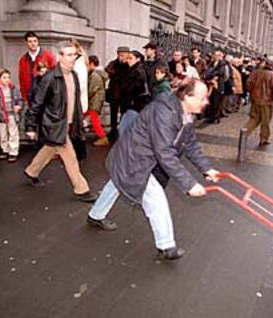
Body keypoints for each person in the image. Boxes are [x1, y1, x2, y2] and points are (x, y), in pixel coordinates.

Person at [86, 79, 219, 261]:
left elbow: (190, 144)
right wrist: (189, 184)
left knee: (117, 182)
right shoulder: (165, 113)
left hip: (138, 156)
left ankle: (95, 215)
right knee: (154, 197)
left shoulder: (185, 113)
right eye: (203, 98)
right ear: (186, 97)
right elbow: (164, 152)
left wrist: (206, 169)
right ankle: (166, 246)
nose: (206, 102)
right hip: (135, 158)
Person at [24, 40, 97, 202]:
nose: (73, 58)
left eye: (74, 55)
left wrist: (80, 121)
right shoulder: (50, 77)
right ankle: (82, 189)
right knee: (70, 157)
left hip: (69, 123)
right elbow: (37, 103)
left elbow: (75, 102)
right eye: (69, 55)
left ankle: (32, 171)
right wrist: (30, 126)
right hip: (55, 125)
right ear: (59, 57)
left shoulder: (74, 75)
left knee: (49, 149)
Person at [243, 60, 273, 146]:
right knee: (266, 120)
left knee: (254, 119)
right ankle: (264, 138)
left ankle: (244, 133)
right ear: (272, 65)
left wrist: (252, 93)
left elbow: (248, 84)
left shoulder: (255, 73)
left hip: (255, 100)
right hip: (267, 101)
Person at [0, 69, 22, 162]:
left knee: (13, 133)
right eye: (4, 78)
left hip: (11, 114)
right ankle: (5, 149)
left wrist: (18, 106)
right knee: (3, 134)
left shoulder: (13, 88)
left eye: (8, 77)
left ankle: (13, 151)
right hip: (0, 115)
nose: (7, 80)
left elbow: (19, 99)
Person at [18, 31, 56, 104]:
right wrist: (24, 97)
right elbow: (21, 80)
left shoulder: (48, 55)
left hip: (46, 95)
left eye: (35, 41)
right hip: (31, 96)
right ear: (26, 43)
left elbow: (55, 73)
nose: (33, 44)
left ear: (38, 41)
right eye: (30, 41)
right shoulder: (23, 60)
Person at [105, 46, 130, 142]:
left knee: (124, 113)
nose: (121, 57)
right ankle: (113, 132)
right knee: (113, 114)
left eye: (123, 55)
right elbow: (108, 69)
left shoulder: (128, 64)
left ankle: (123, 132)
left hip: (125, 94)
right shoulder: (114, 63)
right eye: (120, 55)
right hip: (114, 94)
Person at [86, 55, 109, 146]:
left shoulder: (95, 75)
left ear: (91, 64)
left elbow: (91, 90)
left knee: (94, 119)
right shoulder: (98, 74)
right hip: (96, 100)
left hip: (94, 100)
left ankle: (102, 137)